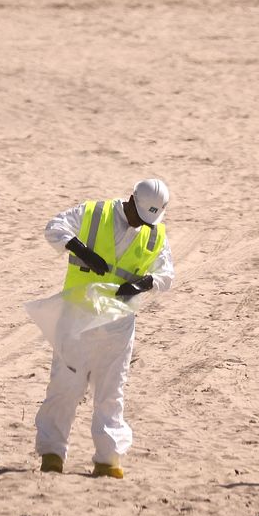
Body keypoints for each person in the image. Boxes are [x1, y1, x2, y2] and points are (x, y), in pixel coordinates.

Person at [36, 179, 174, 479]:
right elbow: (54, 226)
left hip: (118, 324)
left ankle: (108, 460)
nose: (143, 224)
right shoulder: (95, 213)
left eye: (150, 219)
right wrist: (81, 250)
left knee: (111, 393)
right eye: (140, 216)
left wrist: (144, 283)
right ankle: (51, 454)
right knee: (64, 388)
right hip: (77, 315)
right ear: (131, 200)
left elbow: (167, 274)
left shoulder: (154, 232)